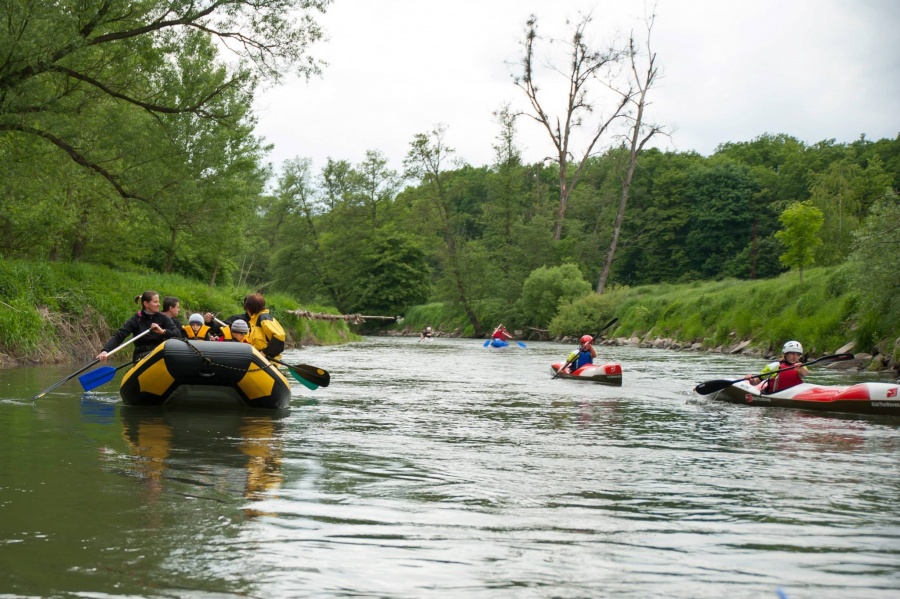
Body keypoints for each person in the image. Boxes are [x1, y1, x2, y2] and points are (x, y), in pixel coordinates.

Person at [96, 291, 181, 362]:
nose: (159, 304)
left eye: (158, 301)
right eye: (155, 302)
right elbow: (120, 335)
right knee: (154, 356)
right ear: (146, 304)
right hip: (141, 353)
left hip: (159, 351)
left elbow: (177, 333)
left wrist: (163, 331)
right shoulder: (137, 318)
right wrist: (105, 350)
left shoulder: (162, 317)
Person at [222, 293, 285, 360]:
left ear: (249, 308)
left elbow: (280, 336)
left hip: (269, 361)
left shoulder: (264, 318)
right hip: (256, 358)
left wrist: (264, 353)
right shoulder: (253, 320)